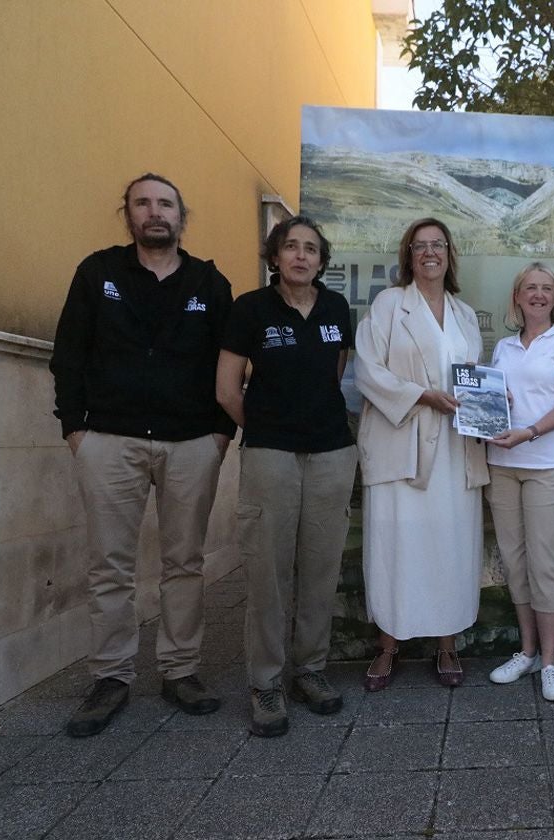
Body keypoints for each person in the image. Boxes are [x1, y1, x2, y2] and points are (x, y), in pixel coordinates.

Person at [50, 173, 234, 737]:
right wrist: (76, 431)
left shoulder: (210, 281)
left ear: (182, 215)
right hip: (109, 438)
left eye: (165, 204)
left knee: (185, 562)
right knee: (110, 565)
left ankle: (180, 669)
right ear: (127, 213)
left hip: (191, 442)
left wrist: (220, 434)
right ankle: (111, 676)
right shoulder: (97, 273)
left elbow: (229, 362)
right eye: (143, 203)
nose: (155, 212)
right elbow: (68, 354)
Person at [216, 215, 357, 737]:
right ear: (274, 256)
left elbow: (335, 373)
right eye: (291, 247)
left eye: (311, 249)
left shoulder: (337, 309)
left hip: (331, 453)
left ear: (322, 261)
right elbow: (228, 389)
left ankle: (311, 672)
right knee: (268, 572)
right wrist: (271, 428)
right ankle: (267, 683)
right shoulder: (250, 309)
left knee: (320, 569)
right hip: (271, 454)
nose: (301, 255)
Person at [353, 217, 489, 689]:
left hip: (454, 447)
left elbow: (474, 380)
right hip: (401, 443)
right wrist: (422, 395)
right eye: (420, 245)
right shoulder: (389, 305)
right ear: (407, 255)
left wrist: (486, 405)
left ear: (450, 254)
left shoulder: (466, 314)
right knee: (396, 546)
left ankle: (447, 645)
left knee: (451, 544)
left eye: (438, 245)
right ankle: (388, 646)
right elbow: (368, 372)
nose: (430, 252)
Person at [485, 262, 554, 702]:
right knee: (514, 558)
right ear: (517, 297)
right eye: (531, 287)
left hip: (549, 462)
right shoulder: (504, 348)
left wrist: (528, 431)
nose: (539, 294)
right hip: (501, 463)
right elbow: (491, 400)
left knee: (546, 561)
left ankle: (550, 661)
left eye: (547, 288)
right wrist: (492, 402)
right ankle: (525, 651)